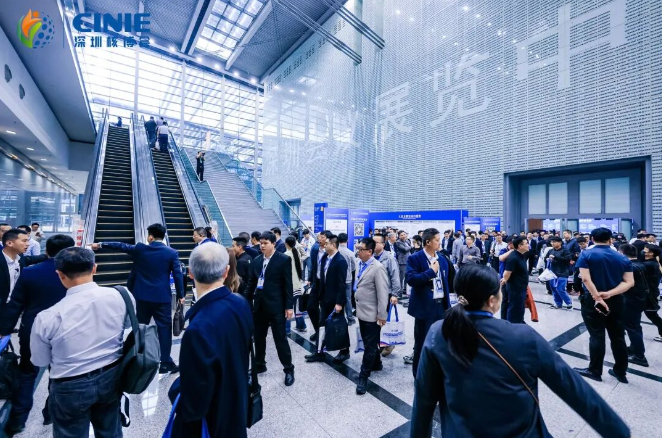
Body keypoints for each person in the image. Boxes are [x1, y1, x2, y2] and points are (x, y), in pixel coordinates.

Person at [410, 264, 630, 438]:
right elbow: (575, 390)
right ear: (492, 300)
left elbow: (424, 401)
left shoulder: (438, 332)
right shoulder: (524, 337)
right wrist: (618, 431)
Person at [31, 247, 133, 438]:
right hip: (112, 376)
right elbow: (127, 325)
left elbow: (40, 361)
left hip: (70, 385)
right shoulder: (121, 295)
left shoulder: (47, 317)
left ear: (60, 274)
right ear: (94, 268)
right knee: (110, 431)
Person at [168, 243, 252, 438]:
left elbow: (193, 405)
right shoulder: (241, 303)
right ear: (226, 271)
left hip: (212, 423)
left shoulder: (198, 328)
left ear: (190, 273)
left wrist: (175, 391)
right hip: (236, 408)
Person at [0, 234, 74, 435]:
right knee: (60, 374)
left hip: (33, 329)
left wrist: (4, 330)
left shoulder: (30, 272)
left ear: (46, 251)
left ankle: (18, 419)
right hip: (65, 330)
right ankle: (50, 413)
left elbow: (16, 304)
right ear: (70, 251)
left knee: (27, 373)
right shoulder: (75, 274)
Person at [91, 223, 184, 373]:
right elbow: (178, 275)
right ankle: (165, 361)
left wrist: (101, 244)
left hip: (141, 296)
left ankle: (138, 357)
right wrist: (181, 295)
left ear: (151, 236)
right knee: (164, 329)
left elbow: (121, 246)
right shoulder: (171, 253)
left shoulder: (140, 249)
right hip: (162, 298)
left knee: (140, 327)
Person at [574, 227, 634, 383]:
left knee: (596, 335)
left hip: (592, 300)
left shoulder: (586, 254)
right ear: (610, 239)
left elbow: (585, 279)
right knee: (618, 336)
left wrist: (597, 297)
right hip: (616, 300)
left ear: (592, 239)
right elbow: (629, 282)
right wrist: (610, 293)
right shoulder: (622, 258)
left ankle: (595, 370)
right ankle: (620, 372)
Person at [246, 231, 295, 386]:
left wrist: (289, 306)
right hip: (259, 306)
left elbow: (288, 285)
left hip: (276, 306)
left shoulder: (283, 260)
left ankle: (288, 369)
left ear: (273, 244)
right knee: (259, 338)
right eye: (261, 243)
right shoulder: (257, 260)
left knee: (280, 339)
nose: (262, 246)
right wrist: (244, 301)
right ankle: (260, 364)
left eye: (265, 243)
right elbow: (251, 283)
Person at [405, 228, 454, 377]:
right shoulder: (415, 258)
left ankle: (437, 373)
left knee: (441, 340)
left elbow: (449, 280)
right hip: (424, 307)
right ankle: (418, 375)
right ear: (428, 242)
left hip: (441, 305)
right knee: (422, 342)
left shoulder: (443, 258)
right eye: (437, 240)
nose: (440, 243)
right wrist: (430, 272)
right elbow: (411, 279)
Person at [305, 234, 350, 363]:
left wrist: (339, 303)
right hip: (325, 297)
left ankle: (344, 351)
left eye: (327, 244)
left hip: (335, 300)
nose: (325, 245)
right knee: (322, 324)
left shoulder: (340, 261)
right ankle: (319, 352)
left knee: (339, 326)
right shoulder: (326, 257)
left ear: (333, 245)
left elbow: (342, 284)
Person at [354, 237, 390, 395]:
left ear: (369, 251)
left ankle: (363, 376)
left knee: (369, 346)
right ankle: (377, 363)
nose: (358, 251)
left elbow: (383, 294)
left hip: (372, 314)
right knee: (370, 341)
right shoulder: (360, 263)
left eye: (360, 249)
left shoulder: (378, 268)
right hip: (362, 311)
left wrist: (382, 315)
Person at [616, 244, 650, 367]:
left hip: (630, 301)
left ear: (622, 253)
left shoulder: (629, 267)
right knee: (635, 326)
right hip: (639, 300)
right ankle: (634, 348)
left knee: (632, 328)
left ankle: (639, 356)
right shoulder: (641, 265)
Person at [1, 228, 47, 305]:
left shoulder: (20, 258)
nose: (28, 244)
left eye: (28, 241)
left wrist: (48, 255)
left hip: (15, 304)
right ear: (9, 243)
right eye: (24, 241)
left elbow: (30, 259)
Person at [306, 230, 331, 342]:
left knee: (326, 311)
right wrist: (310, 279)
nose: (320, 239)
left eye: (323, 237)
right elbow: (313, 265)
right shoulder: (315, 249)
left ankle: (326, 334)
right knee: (311, 307)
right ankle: (318, 330)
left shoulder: (331, 252)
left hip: (327, 285)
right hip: (316, 283)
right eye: (319, 237)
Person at [500, 237, 530, 323]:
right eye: (526, 243)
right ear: (520, 246)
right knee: (515, 308)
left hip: (521, 287)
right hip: (515, 288)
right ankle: (513, 324)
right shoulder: (513, 257)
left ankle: (518, 322)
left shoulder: (521, 255)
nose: (528, 245)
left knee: (519, 307)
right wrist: (505, 280)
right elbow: (507, 272)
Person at [284, 235, 307, 333]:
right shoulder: (296, 252)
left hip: (290, 286)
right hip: (298, 284)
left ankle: (286, 329)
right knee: (297, 308)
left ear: (286, 244)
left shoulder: (286, 254)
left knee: (288, 307)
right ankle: (301, 326)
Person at [545, 237, 573, 310]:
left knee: (560, 288)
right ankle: (558, 303)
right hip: (553, 272)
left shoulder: (565, 250)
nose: (552, 243)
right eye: (552, 242)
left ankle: (569, 303)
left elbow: (567, 259)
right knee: (554, 288)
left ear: (560, 242)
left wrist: (555, 257)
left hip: (563, 272)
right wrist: (547, 259)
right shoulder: (551, 250)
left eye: (554, 242)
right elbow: (545, 258)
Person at [641, 244, 662, 341]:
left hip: (649, 294)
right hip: (651, 292)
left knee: (652, 314)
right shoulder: (654, 262)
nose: (643, 251)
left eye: (646, 250)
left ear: (651, 253)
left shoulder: (648, 265)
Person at [337, 232, 357, 326]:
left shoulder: (336, 251)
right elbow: (353, 267)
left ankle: (338, 317)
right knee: (348, 299)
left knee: (337, 298)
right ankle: (350, 318)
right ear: (347, 240)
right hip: (347, 279)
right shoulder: (350, 253)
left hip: (337, 279)